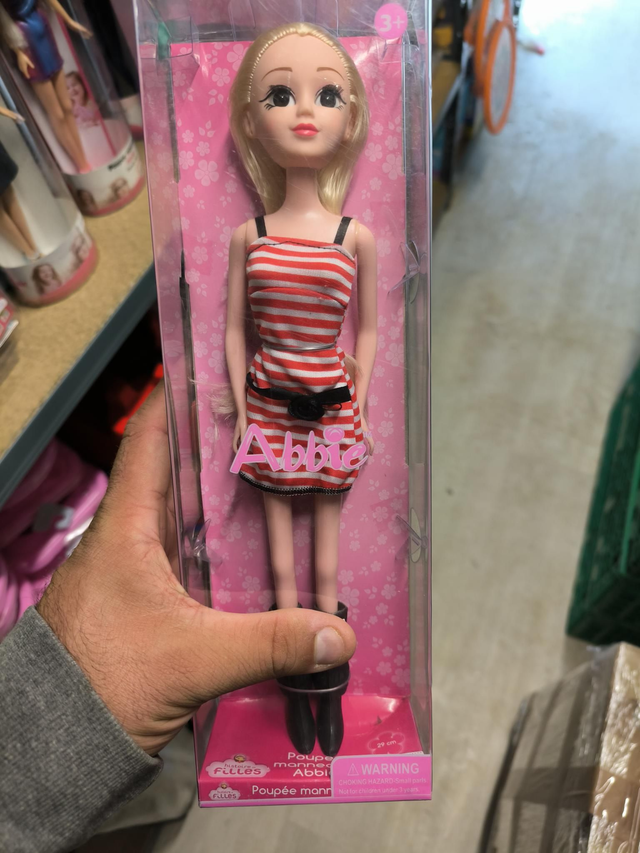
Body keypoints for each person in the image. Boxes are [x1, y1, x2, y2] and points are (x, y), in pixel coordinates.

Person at [0, 385, 355, 852]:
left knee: (321, 566)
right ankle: (298, 704)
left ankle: (324, 702)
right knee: (285, 569)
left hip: (319, 435)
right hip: (268, 433)